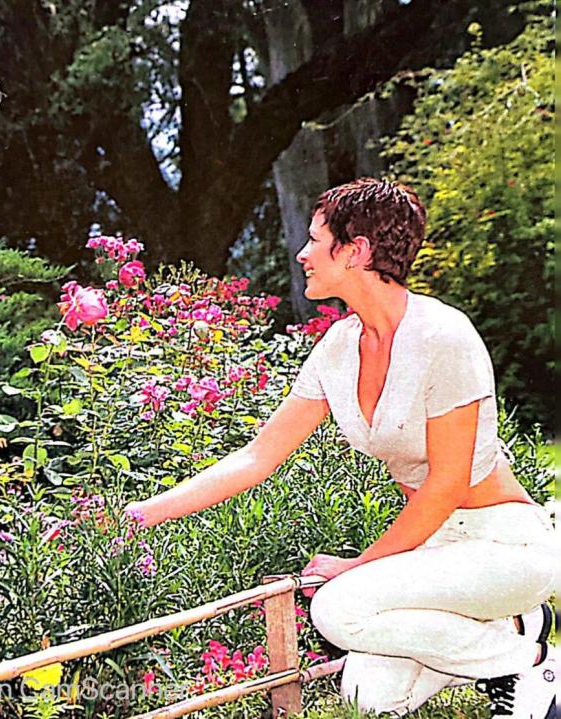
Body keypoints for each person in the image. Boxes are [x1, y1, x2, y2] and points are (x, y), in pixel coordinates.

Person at [127, 178, 556, 718]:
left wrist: (358, 565)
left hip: (503, 547)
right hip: (435, 551)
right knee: (367, 698)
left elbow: (447, 485)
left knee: (339, 607)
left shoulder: (444, 336)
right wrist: (140, 515)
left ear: (356, 251)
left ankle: (530, 664)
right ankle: (514, 630)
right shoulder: (338, 347)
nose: (302, 254)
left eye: (315, 240)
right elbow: (258, 457)